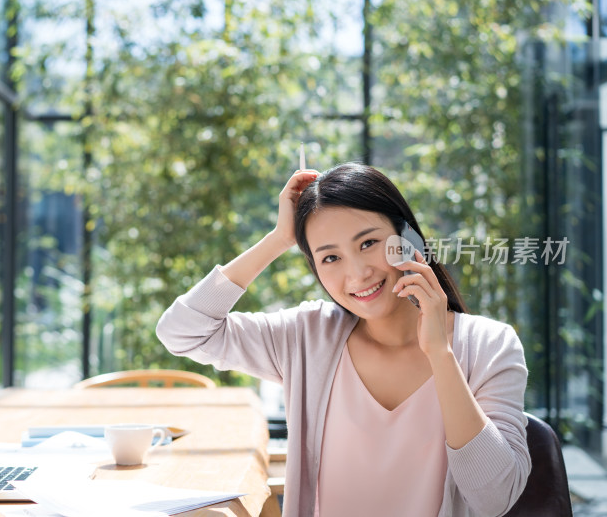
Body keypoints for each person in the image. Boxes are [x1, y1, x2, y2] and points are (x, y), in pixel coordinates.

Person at [156, 163, 530, 517]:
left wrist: (440, 355)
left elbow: (494, 499)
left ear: (407, 238)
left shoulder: (490, 346)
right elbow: (182, 332)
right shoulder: (307, 336)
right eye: (330, 257)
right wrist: (278, 239)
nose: (357, 274)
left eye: (368, 243)